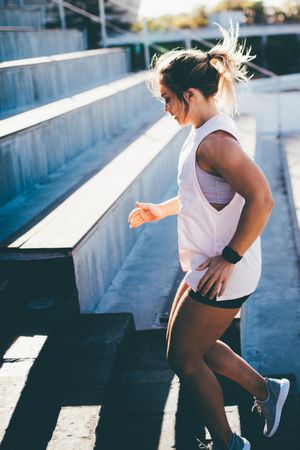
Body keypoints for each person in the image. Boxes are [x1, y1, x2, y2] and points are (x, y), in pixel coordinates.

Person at [128, 23, 290, 450]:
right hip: (208, 264)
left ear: (191, 94)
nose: (165, 108)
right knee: (184, 347)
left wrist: (230, 257)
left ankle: (228, 443)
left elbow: (263, 199)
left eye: (167, 98)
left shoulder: (216, 141)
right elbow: (201, 195)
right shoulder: (200, 134)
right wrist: (160, 210)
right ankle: (266, 390)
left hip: (226, 271)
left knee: (184, 357)